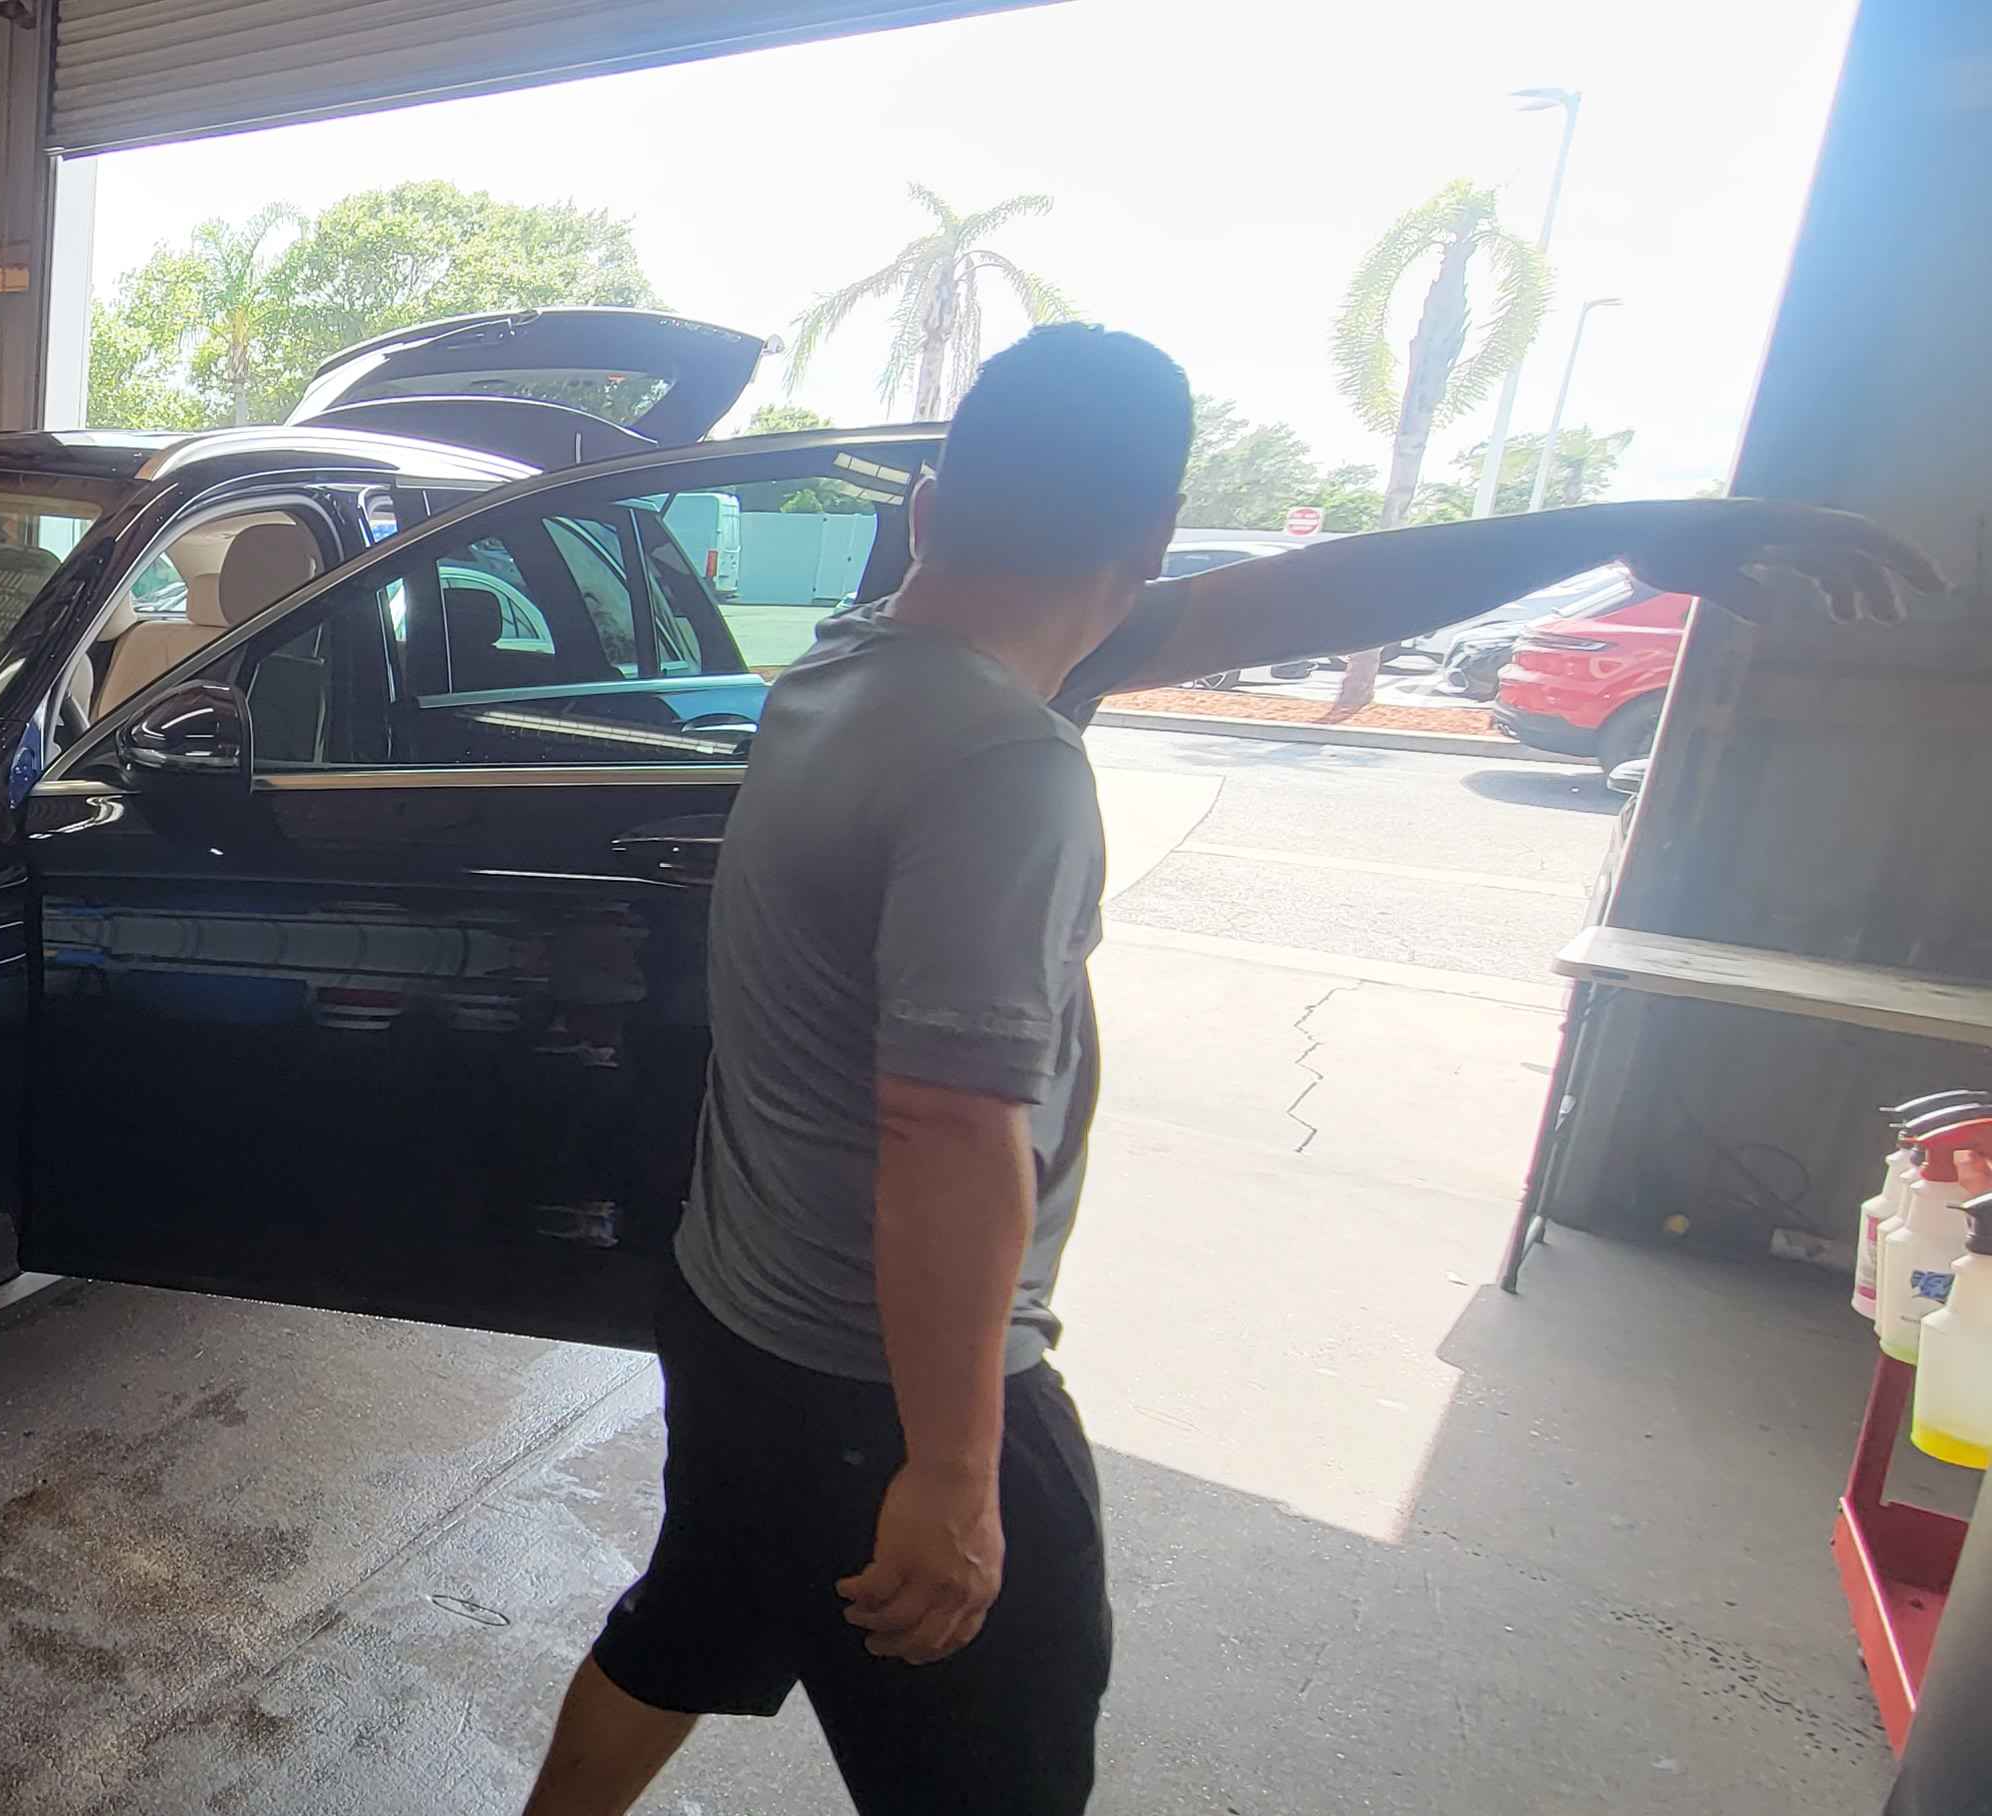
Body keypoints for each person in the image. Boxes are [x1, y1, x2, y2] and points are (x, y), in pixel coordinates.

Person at [518, 323, 1944, 1816]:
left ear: (930, 511)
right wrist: (952, 1470)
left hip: (737, 1314)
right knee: (993, 1774)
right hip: (879, 1388)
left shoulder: (859, 660)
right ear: (1149, 541)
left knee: (695, 1619)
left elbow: (1301, 596)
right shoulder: (1003, 761)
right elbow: (945, 1126)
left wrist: (1628, 532)